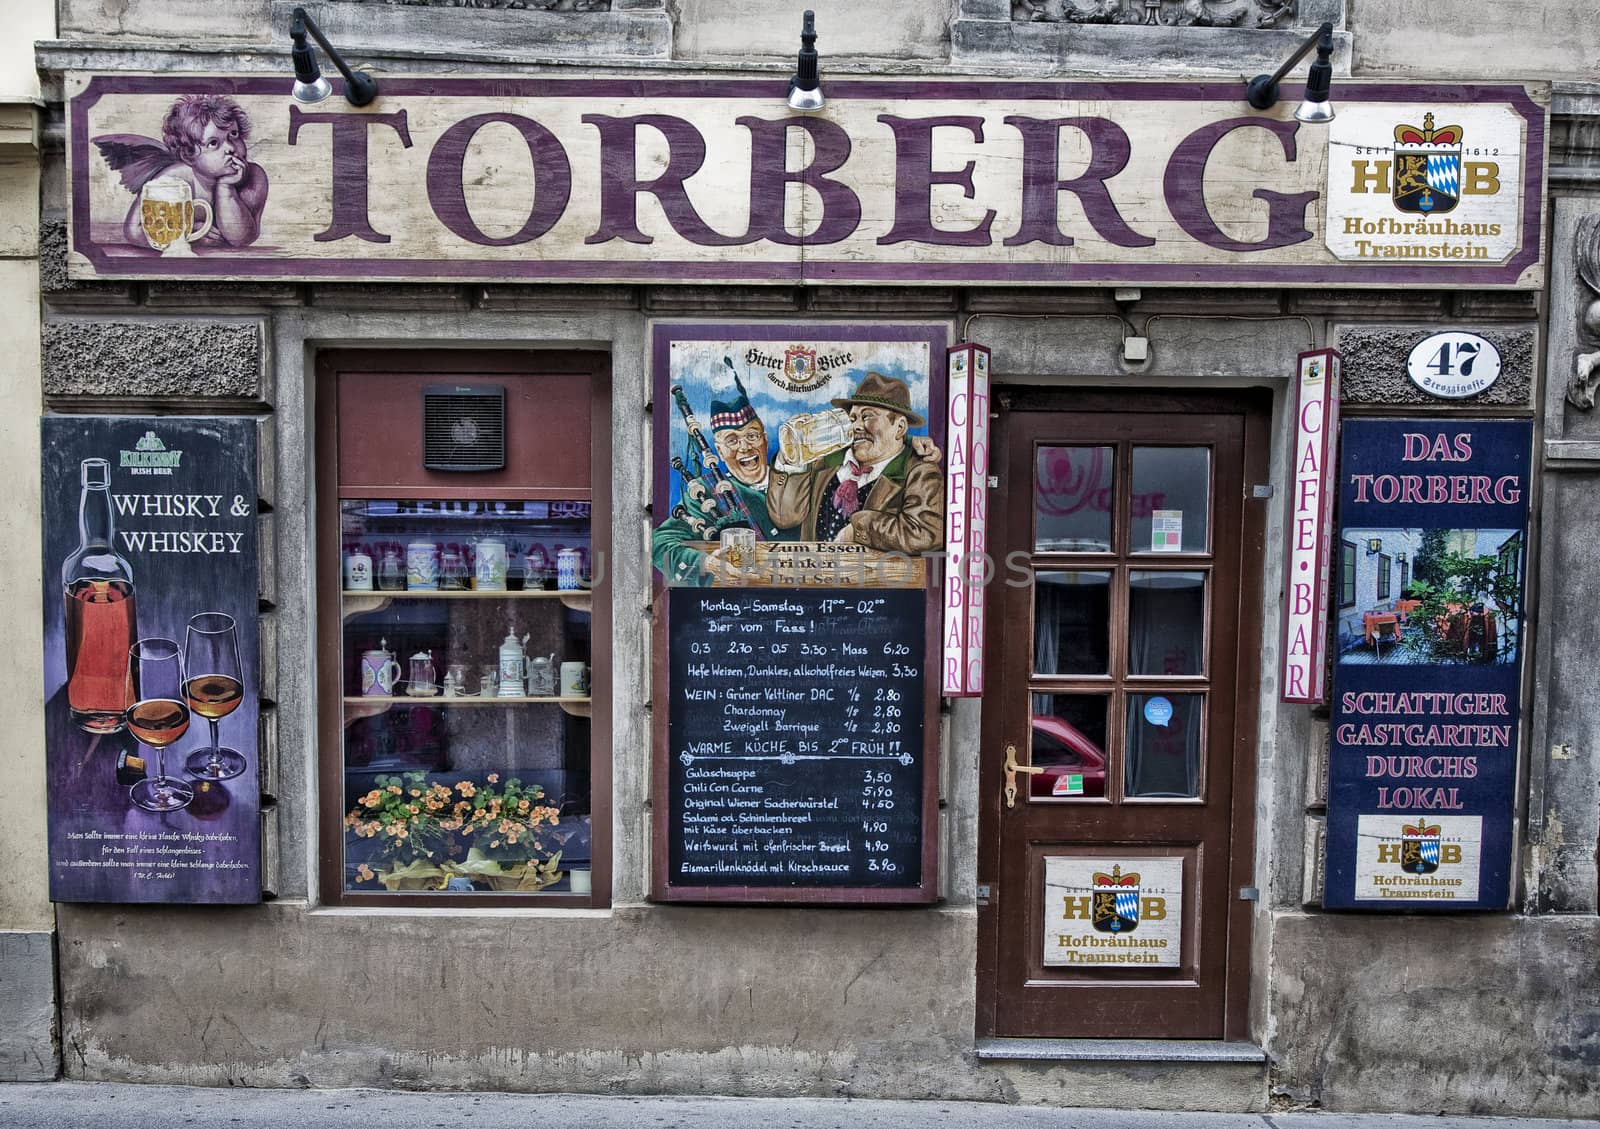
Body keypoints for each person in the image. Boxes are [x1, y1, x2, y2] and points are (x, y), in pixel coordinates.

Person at [767, 372, 944, 555]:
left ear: (899, 428)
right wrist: (790, 457)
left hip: (874, 581)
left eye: (867, 417)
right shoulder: (825, 462)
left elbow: (925, 534)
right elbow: (784, 517)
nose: (856, 427)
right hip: (815, 579)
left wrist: (858, 530)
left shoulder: (919, 472)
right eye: (852, 419)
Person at [651, 376, 795, 585]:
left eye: (752, 436)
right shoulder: (706, 492)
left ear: (765, 439)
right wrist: (704, 563)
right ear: (719, 451)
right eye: (732, 441)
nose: (744, 447)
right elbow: (660, 544)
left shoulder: (796, 481)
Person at [96, 94, 268, 250]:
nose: (230, 147)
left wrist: (225, 188)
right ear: (188, 156)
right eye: (214, 143)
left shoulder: (254, 177)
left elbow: (241, 239)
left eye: (234, 134)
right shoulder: (171, 180)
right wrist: (186, 237)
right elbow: (133, 230)